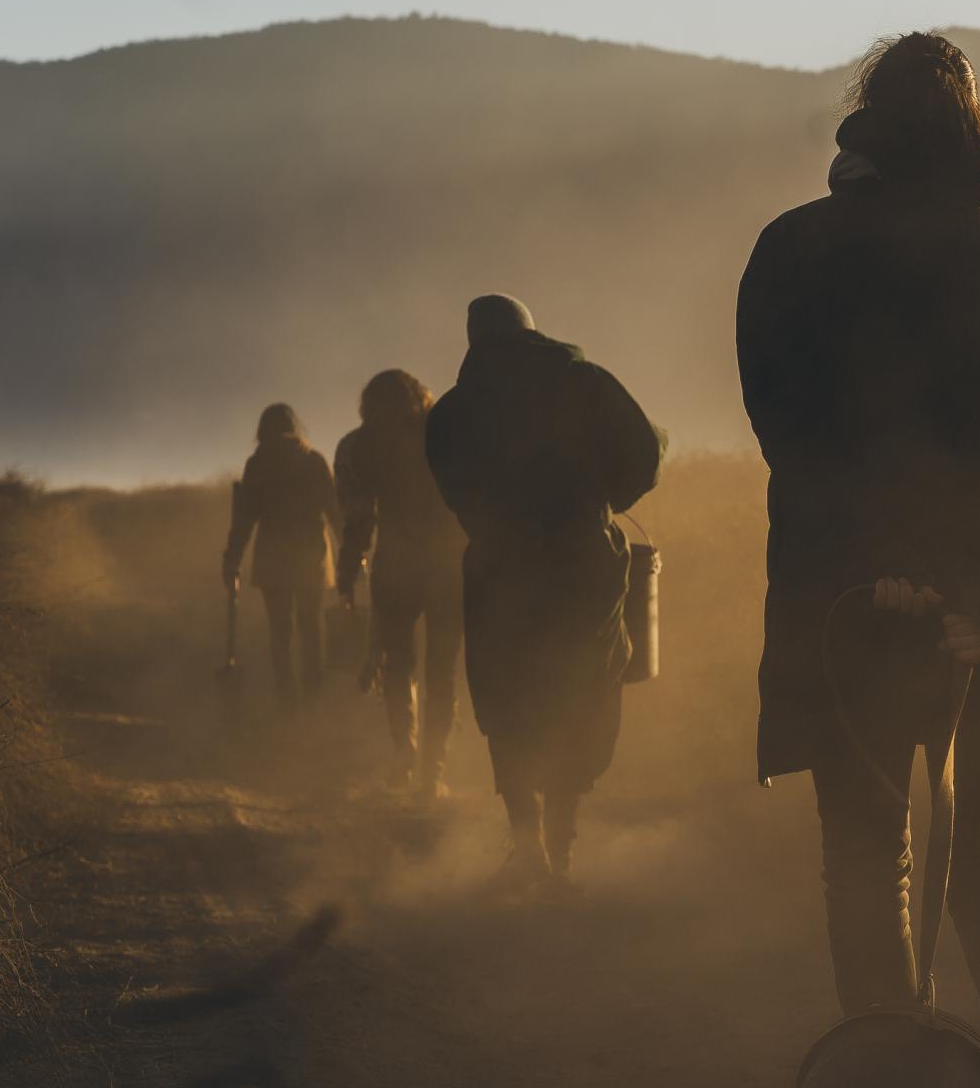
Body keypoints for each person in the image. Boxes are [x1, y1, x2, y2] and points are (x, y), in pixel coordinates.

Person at [735, 32, 980, 1088]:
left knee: (864, 849)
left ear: (862, 128)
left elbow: (792, 434)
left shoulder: (788, 251)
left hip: (840, 598)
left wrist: (877, 567)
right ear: (969, 128)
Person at [425, 294, 664, 886]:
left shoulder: (453, 410)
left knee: (506, 697)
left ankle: (527, 841)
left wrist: (493, 527)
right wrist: (603, 506)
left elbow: (453, 490)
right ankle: (562, 843)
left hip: (499, 568)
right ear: (533, 332)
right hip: (585, 562)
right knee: (585, 684)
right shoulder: (584, 382)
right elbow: (643, 454)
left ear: (474, 339)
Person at [334, 369, 466, 793]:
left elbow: (358, 519)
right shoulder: (446, 436)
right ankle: (435, 770)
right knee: (442, 670)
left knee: (399, 666)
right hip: (447, 568)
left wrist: (348, 569)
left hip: (395, 566)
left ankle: (404, 753)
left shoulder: (360, 446)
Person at [222, 403, 340, 711]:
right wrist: (355, 553)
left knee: (280, 631)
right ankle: (313, 698)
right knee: (311, 628)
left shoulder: (258, 464)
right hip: (311, 557)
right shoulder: (313, 460)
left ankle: (287, 702)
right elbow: (334, 511)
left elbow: (244, 519)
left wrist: (231, 558)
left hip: (273, 559)